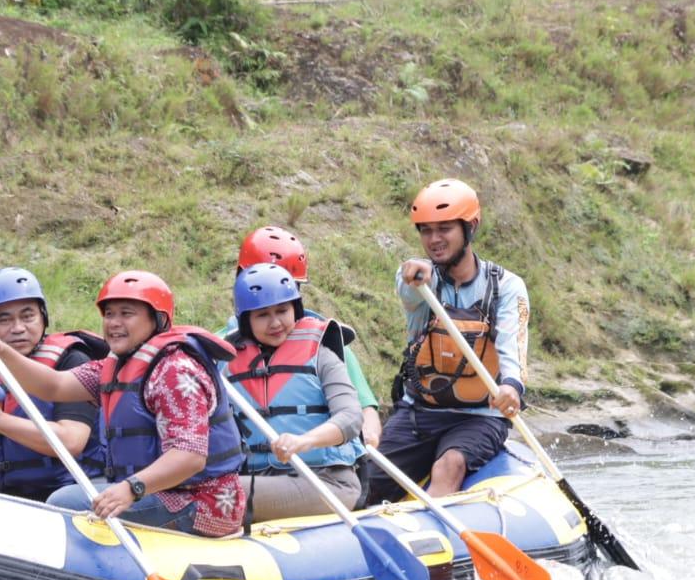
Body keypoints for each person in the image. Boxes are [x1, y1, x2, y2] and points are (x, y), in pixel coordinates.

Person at [0, 270, 246, 537]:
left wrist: (131, 488)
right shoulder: (112, 365)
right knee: (71, 498)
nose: (113, 323)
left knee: (65, 505)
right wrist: (0, 350)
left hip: (202, 502)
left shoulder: (175, 371)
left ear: (158, 319)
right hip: (153, 491)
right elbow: (53, 385)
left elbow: (190, 457)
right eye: (109, 314)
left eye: (126, 313)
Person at [365, 179, 529, 501]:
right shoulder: (418, 281)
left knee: (449, 465)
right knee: (368, 482)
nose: (434, 239)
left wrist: (511, 386)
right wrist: (414, 274)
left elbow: (513, 348)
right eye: (426, 230)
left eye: (444, 229)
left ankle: (437, 545)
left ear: (470, 227)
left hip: (481, 417)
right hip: (420, 411)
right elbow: (409, 284)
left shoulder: (506, 287)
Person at [223, 263, 365, 521]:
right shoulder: (226, 367)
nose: (275, 322)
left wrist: (304, 441)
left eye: (282, 310)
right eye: (262, 315)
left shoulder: (322, 355)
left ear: (295, 309)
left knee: (221, 495)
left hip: (327, 482)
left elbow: (351, 417)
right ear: (246, 320)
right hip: (263, 478)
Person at [0, 267, 107, 501]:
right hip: (11, 496)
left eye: (28, 316)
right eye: (4, 319)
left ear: (43, 317)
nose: (18, 328)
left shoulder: (72, 359)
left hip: (74, 492)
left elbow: (72, 441)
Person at [232, 226, 383, 449]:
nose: (272, 293)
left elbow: (364, 410)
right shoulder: (222, 348)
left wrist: (368, 434)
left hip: (320, 465)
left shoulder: (322, 342)